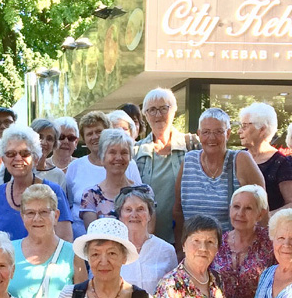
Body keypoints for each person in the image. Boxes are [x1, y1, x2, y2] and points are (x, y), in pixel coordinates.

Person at [174, 108, 264, 241]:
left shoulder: (240, 160)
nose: (211, 137)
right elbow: (177, 210)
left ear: (228, 133)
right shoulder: (188, 161)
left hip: (230, 252)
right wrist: (180, 248)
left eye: (218, 132)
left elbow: (261, 208)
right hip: (194, 250)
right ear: (199, 134)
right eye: (206, 132)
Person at [0, 126, 75, 242]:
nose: (18, 158)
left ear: (36, 159)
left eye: (25, 153)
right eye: (10, 154)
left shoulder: (54, 192)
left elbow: (65, 240)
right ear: (4, 160)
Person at [135, 88, 199, 245]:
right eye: (152, 110)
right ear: (145, 115)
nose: (158, 115)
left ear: (174, 111)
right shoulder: (136, 151)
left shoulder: (191, 145)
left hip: (185, 236)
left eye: (164, 108)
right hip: (148, 239)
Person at [65, 110, 143, 208]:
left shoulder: (128, 164)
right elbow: (69, 203)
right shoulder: (74, 167)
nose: (95, 137)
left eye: (99, 132)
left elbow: (140, 197)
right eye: (89, 134)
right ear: (84, 139)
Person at [118, 188, 179, 296]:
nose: (134, 214)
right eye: (128, 209)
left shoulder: (166, 250)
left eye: (140, 209)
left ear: (150, 215)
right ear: (120, 216)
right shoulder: (112, 249)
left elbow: (174, 292)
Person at [79, 129, 146, 225]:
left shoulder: (144, 192)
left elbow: (148, 232)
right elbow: (93, 235)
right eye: (112, 152)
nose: (119, 158)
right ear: (102, 158)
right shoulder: (90, 195)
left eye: (124, 152)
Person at [238, 102, 292, 211]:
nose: (239, 131)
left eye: (244, 126)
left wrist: (266, 219)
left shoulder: (281, 162)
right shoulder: (238, 157)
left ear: (262, 129)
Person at [31, 118, 67, 187]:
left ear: (54, 144)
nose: (44, 142)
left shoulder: (58, 175)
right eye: (40, 137)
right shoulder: (20, 169)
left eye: (49, 139)